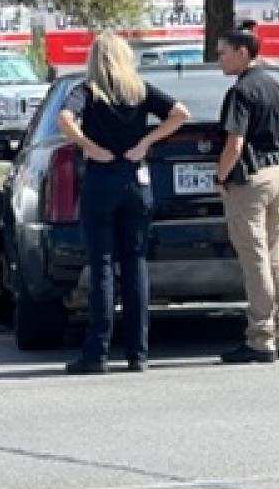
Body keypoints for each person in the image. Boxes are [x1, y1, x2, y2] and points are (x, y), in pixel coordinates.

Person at [55, 33, 190, 375]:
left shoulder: (87, 90)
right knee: (135, 263)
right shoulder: (139, 90)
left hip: (101, 179)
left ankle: (97, 353)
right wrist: (146, 142)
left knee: (101, 264)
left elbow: (64, 120)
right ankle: (138, 353)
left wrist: (88, 145)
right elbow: (179, 113)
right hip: (135, 178)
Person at [215, 28, 279, 364]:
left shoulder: (242, 91)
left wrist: (221, 176)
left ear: (241, 52)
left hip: (250, 180)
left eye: (223, 52)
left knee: (256, 260)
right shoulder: (276, 87)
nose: (219, 58)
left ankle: (260, 338)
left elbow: (234, 143)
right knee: (275, 256)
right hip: (278, 175)